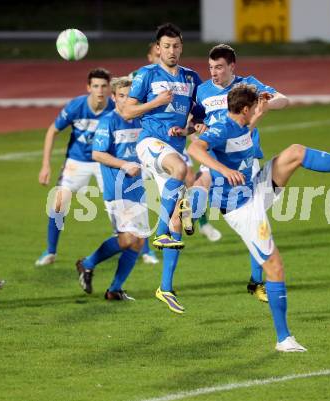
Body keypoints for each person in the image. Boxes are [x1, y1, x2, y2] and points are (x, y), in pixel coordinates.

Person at [188, 83, 330, 352]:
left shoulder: (241, 124)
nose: (263, 106)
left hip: (255, 187)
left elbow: (241, 137)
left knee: (295, 151)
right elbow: (195, 150)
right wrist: (223, 170)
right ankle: (284, 339)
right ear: (244, 109)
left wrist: (259, 114)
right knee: (275, 268)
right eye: (257, 105)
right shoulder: (222, 127)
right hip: (242, 208)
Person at [193, 44, 289, 302]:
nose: (214, 73)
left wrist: (268, 103)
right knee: (198, 188)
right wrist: (194, 126)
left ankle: (257, 281)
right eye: (211, 67)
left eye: (220, 67)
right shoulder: (202, 90)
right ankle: (189, 221)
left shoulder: (248, 86)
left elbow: (284, 100)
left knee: (256, 221)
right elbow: (193, 120)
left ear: (232, 67)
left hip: (246, 161)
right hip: (215, 157)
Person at [122, 23, 205, 314]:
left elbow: (197, 120)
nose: (171, 51)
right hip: (149, 145)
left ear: (182, 48)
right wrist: (155, 102)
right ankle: (158, 232)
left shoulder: (192, 78)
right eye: (166, 46)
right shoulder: (146, 75)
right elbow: (127, 110)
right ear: (158, 48)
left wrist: (190, 130)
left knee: (177, 223)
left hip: (172, 148)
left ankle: (165, 288)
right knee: (181, 170)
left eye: (176, 46)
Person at [76, 77, 149, 300]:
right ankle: (87, 263)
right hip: (117, 190)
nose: (127, 100)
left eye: (131, 96)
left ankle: (115, 289)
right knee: (128, 238)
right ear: (114, 98)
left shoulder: (140, 120)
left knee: (138, 241)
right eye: (122, 95)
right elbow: (97, 154)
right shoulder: (108, 121)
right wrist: (124, 164)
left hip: (138, 189)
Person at [35, 68, 114, 266]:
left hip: (104, 160)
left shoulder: (115, 108)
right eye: (95, 86)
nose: (100, 90)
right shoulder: (76, 106)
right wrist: (45, 165)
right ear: (88, 87)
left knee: (117, 205)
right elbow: (52, 130)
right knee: (59, 201)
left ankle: (137, 249)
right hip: (76, 161)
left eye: (104, 86)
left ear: (109, 88)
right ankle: (50, 252)